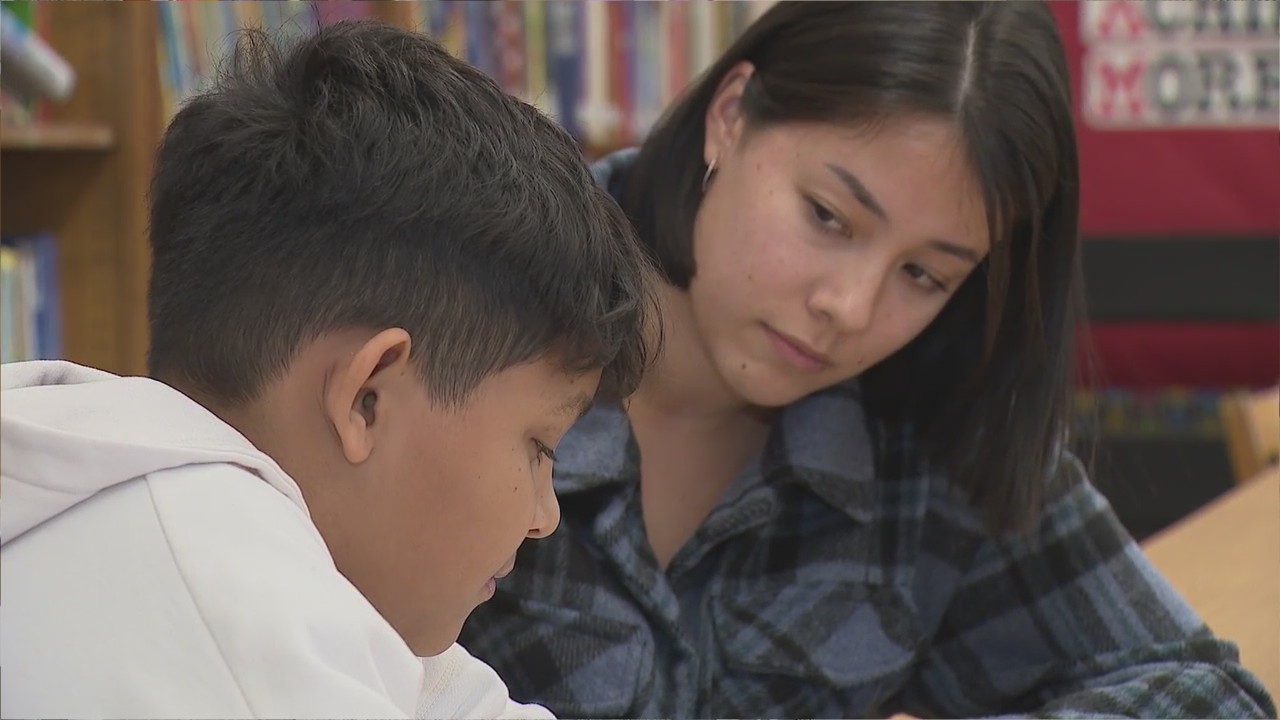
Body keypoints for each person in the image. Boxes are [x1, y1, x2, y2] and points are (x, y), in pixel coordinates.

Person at [459, 2, 1277, 718]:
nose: (849, 308)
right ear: (731, 115)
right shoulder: (468, 316)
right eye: (828, 216)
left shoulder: (931, 428)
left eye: (924, 275)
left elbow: (1211, 695)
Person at [0, 20, 656, 719]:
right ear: (366, 398)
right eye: (539, 447)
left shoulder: (205, 540)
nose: (544, 517)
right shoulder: (228, 617)